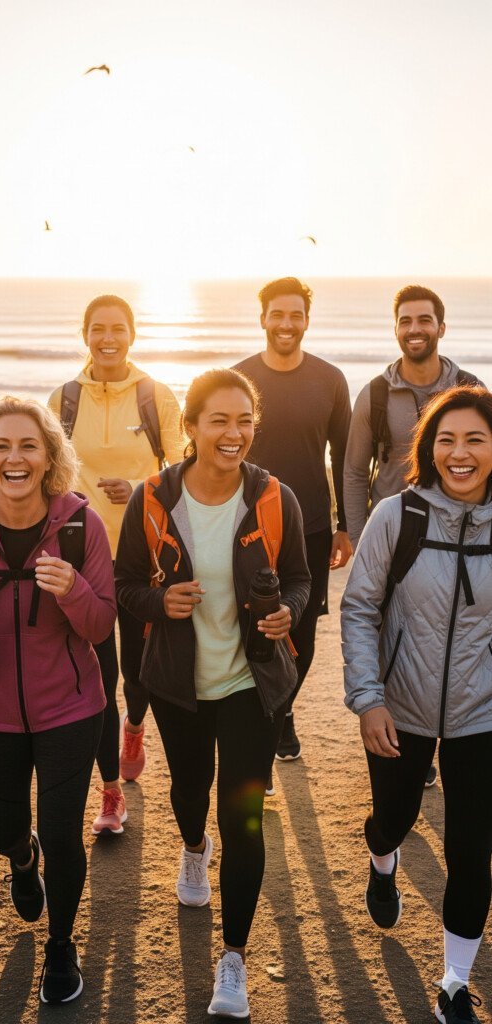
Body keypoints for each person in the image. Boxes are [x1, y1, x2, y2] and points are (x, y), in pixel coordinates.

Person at [115, 368, 310, 1018]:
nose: (234, 434)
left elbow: (299, 579)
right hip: (178, 686)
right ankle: (192, 851)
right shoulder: (151, 499)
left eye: (243, 420)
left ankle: (233, 960)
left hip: (252, 684)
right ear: (190, 428)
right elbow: (123, 584)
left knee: (244, 819)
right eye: (219, 420)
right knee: (190, 791)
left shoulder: (275, 498)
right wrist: (157, 599)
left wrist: (287, 611)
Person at [0, 396, 116, 1004]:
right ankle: (19, 857)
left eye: (29, 446)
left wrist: (74, 592)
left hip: (70, 707)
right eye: (3, 446)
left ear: (49, 457)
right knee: (3, 827)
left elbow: (100, 627)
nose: (15, 458)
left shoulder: (79, 525)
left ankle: (61, 948)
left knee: (64, 833)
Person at [341, 386, 492, 1024]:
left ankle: (455, 982)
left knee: (471, 846)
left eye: (476, 440)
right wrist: (368, 698)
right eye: (447, 439)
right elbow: (358, 607)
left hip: (481, 715)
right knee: (395, 815)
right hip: (399, 707)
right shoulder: (397, 516)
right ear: (428, 448)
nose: (460, 453)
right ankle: (383, 856)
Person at [48, 295, 184, 836]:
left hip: (143, 555)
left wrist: (140, 491)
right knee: (100, 674)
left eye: (118, 329)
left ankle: (134, 725)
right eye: (98, 329)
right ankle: (110, 796)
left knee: (140, 668)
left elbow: (182, 470)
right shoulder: (64, 398)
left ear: (132, 334)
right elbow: (46, 471)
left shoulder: (156, 396)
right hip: (80, 555)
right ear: (85, 334)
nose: (108, 338)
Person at [234, 277, 352, 763]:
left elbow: (345, 457)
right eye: (277, 315)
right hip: (246, 526)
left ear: (307, 320)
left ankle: (282, 710)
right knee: (249, 624)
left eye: (295, 315)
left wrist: (344, 524)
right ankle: (264, 724)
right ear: (262, 318)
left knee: (301, 631)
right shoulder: (238, 378)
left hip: (309, 529)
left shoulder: (330, 379)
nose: (286, 324)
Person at [344, 283, 482, 550]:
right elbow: (355, 472)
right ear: (395, 329)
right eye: (405, 321)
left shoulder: (470, 389)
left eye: (424, 320)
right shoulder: (374, 395)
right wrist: (361, 539)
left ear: (441, 328)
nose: (414, 329)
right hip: (391, 534)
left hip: (456, 535)